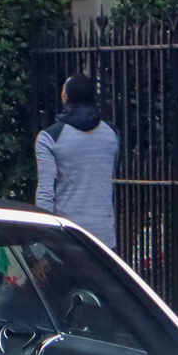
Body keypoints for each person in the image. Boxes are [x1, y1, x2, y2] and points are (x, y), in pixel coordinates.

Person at [35, 74, 121, 248]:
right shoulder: (111, 134)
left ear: (65, 97)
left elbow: (45, 192)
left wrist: (42, 244)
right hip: (104, 233)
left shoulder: (49, 138)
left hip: (67, 233)